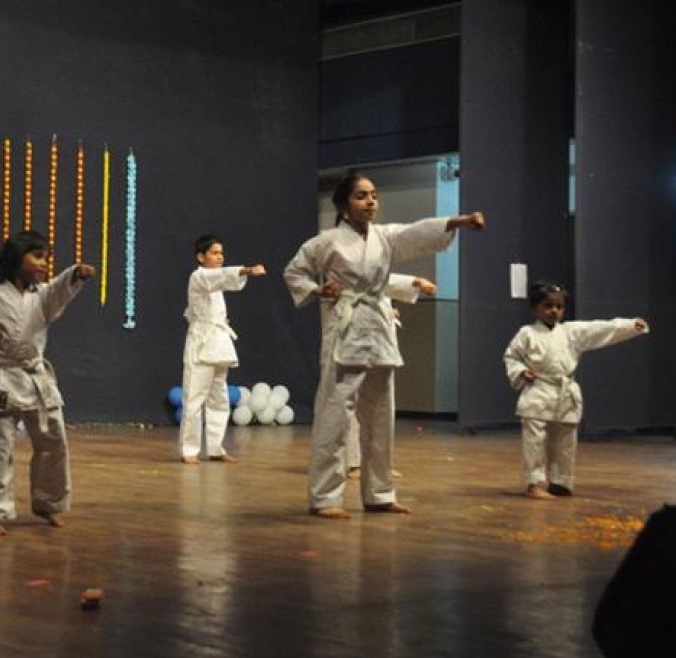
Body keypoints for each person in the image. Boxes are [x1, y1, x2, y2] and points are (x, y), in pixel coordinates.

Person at [284, 171, 485, 519]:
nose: (371, 201)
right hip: (345, 329)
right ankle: (325, 497)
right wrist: (318, 290)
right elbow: (294, 272)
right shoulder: (327, 241)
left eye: (374, 195)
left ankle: (379, 494)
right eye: (361, 196)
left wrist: (460, 221)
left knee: (380, 416)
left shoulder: (385, 237)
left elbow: (416, 231)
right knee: (335, 415)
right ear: (345, 206)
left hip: (377, 328)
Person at [0, 231, 95, 535]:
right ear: (15, 258)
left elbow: (60, 289)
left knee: (54, 442)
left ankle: (50, 503)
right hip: (5, 376)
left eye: (45, 257)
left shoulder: (43, 296)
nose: (42, 263)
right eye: (36, 256)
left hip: (36, 376)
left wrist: (75, 274)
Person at [503, 281, 648, 499]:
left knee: (565, 440)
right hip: (538, 389)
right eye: (548, 306)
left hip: (565, 390)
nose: (554, 311)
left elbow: (600, 328)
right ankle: (535, 482)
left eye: (559, 306)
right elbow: (511, 356)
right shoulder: (527, 333)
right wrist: (521, 371)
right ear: (535, 308)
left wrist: (629, 326)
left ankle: (561, 481)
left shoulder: (571, 331)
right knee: (535, 441)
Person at [180, 234, 266, 465]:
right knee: (194, 398)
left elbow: (222, 280)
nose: (220, 257)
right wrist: (246, 271)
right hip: (201, 342)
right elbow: (218, 277)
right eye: (215, 253)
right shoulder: (198, 276)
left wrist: (241, 273)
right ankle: (189, 449)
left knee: (220, 397)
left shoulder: (215, 282)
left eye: (221, 253)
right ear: (201, 256)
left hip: (218, 341)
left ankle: (216, 448)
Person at [345, 273, 435, 480]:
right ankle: (354, 463)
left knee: (383, 408)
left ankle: (380, 464)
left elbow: (384, 285)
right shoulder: (355, 265)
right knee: (356, 405)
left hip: (382, 348)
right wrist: (416, 282)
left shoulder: (379, 265)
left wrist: (388, 311)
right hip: (356, 345)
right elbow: (378, 280)